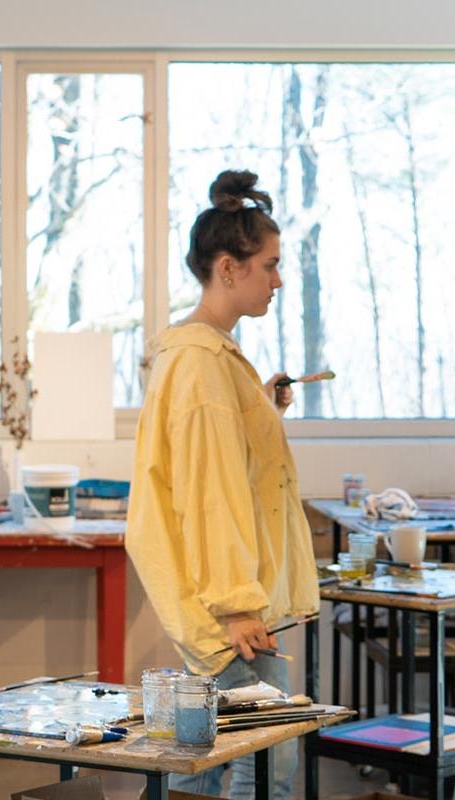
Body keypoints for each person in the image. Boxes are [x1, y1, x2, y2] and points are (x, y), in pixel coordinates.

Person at [126, 169, 319, 798]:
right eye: (270, 265)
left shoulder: (205, 354)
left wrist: (262, 408)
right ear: (228, 268)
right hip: (223, 602)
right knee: (269, 759)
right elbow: (210, 493)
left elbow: (223, 462)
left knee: (205, 754)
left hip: (216, 594)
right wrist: (237, 604)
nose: (279, 280)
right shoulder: (203, 361)